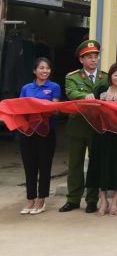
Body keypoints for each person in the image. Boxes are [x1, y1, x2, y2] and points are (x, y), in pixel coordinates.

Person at [60, 40, 105, 214]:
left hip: (97, 127)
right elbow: (71, 93)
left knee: (95, 165)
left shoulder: (106, 76)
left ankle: (92, 200)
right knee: (75, 165)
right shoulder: (72, 76)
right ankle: (73, 199)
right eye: (89, 57)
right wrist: (85, 96)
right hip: (78, 125)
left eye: (95, 57)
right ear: (81, 60)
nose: (93, 60)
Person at [86, 63, 117, 216]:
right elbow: (94, 113)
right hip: (101, 134)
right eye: (116, 75)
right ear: (110, 77)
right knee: (100, 166)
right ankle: (103, 200)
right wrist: (90, 101)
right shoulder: (101, 90)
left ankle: (115, 200)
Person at [18, 57, 61, 215]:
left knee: (44, 166)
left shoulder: (54, 87)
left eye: (47, 68)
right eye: (41, 68)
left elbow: (56, 109)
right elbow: (21, 108)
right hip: (28, 131)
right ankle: (30, 200)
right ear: (34, 71)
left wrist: (40, 106)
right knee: (29, 167)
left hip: (47, 131)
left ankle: (41, 201)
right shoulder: (26, 88)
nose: (45, 71)